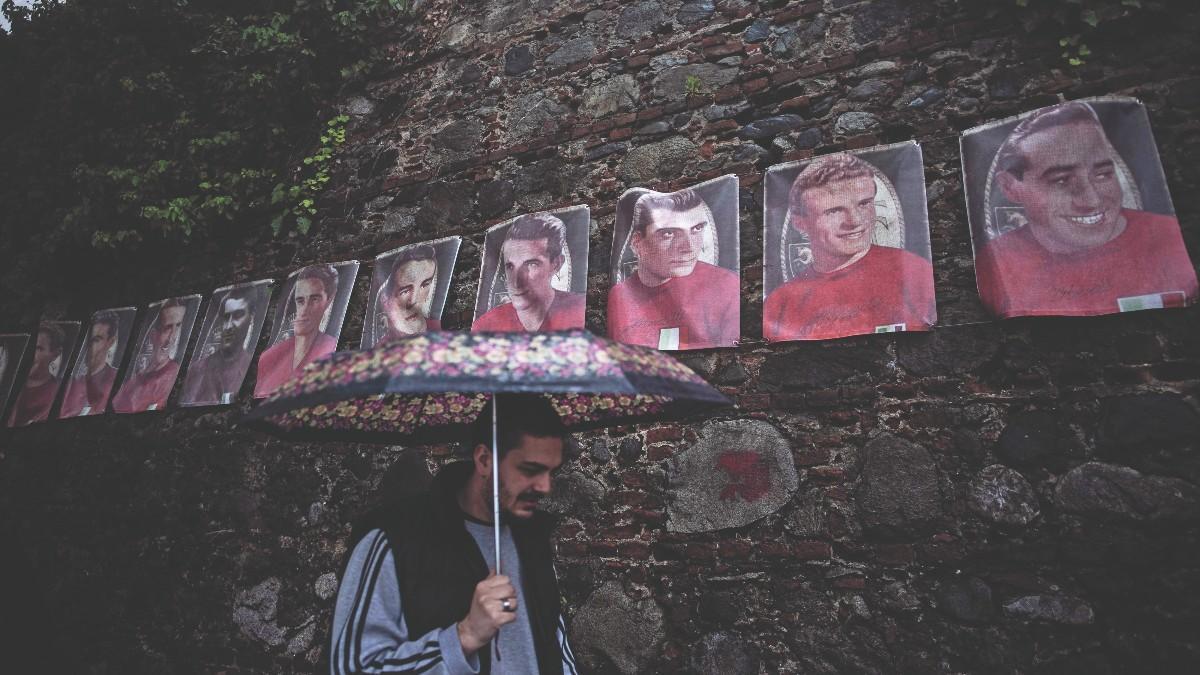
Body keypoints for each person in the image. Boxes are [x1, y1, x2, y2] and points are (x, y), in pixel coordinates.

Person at [330, 394, 578, 675]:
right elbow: (352, 667)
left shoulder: (532, 539)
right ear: (484, 459)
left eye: (551, 472)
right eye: (530, 470)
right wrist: (464, 636)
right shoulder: (394, 539)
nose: (545, 486)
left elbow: (557, 649)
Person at [975, 100, 1198, 317]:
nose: (1091, 200)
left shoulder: (1164, 234)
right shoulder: (995, 261)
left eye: (1102, 175)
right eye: (1060, 180)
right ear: (1010, 187)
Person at [763, 153, 936, 341]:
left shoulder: (913, 271)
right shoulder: (780, 303)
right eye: (834, 210)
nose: (855, 221)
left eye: (864, 204)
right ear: (800, 223)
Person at [607, 189, 739, 349]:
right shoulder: (619, 295)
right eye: (668, 233)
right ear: (636, 242)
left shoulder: (725, 285)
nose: (688, 247)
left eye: (696, 229)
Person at [472, 214, 586, 332]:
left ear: (556, 264)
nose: (516, 283)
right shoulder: (485, 326)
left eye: (532, 264)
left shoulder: (580, 310)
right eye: (510, 266)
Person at [254, 265, 340, 397]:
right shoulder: (269, 357)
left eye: (314, 299)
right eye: (300, 301)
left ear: (328, 300)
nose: (304, 310)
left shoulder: (331, 347)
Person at [181, 288, 258, 405]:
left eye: (238, 316)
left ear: (251, 318)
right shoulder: (198, 369)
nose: (228, 326)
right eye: (226, 317)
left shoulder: (251, 366)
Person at [112, 298, 188, 413]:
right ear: (153, 334)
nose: (173, 336)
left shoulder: (175, 375)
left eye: (177, 326)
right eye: (167, 327)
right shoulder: (133, 382)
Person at [60, 311, 121, 417]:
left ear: (110, 342)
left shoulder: (118, 381)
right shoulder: (68, 383)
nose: (87, 347)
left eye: (95, 340)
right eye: (86, 340)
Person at [379, 245, 443, 344]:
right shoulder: (379, 351)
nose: (413, 301)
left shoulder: (441, 333)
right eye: (405, 291)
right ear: (385, 299)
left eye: (424, 285)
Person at [7, 322, 65, 426]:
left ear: (55, 354)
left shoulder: (54, 395)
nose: (29, 355)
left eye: (39, 348)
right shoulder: (8, 380)